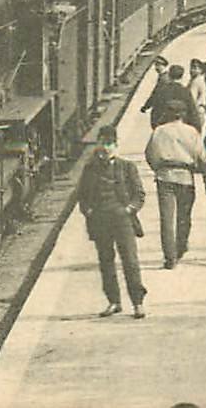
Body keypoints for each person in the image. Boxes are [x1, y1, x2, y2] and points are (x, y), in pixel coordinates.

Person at [77, 125, 148, 319]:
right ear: (98, 144)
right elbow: (82, 195)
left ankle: (138, 303)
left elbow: (139, 194)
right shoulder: (90, 169)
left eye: (110, 144)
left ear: (116, 145)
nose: (106, 148)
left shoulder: (127, 167)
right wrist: (88, 211)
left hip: (123, 220)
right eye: (103, 143)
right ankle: (114, 302)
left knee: (130, 261)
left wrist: (129, 209)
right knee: (106, 262)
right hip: (100, 221)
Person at [145, 98, 206, 268]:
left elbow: (150, 154)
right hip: (186, 177)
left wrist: (157, 168)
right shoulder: (191, 132)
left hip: (164, 177)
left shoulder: (159, 131)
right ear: (183, 114)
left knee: (167, 219)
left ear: (167, 113)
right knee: (184, 216)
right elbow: (201, 156)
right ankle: (181, 246)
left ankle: (169, 257)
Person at [142, 64, 203, 130]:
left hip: (164, 126)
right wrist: (196, 129)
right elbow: (192, 111)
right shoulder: (185, 92)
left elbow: (156, 110)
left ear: (169, 75)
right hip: (181, 127)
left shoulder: (162, 90)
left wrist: (155, 126)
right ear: (182, 77)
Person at [187, 58, 206, 130]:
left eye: (195, 68)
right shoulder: (197, 80)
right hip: (199, 110)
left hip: (195, 111)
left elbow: (192, 98)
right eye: (191, 67)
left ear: (201, 70)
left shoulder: (196, 81)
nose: (192, 70)